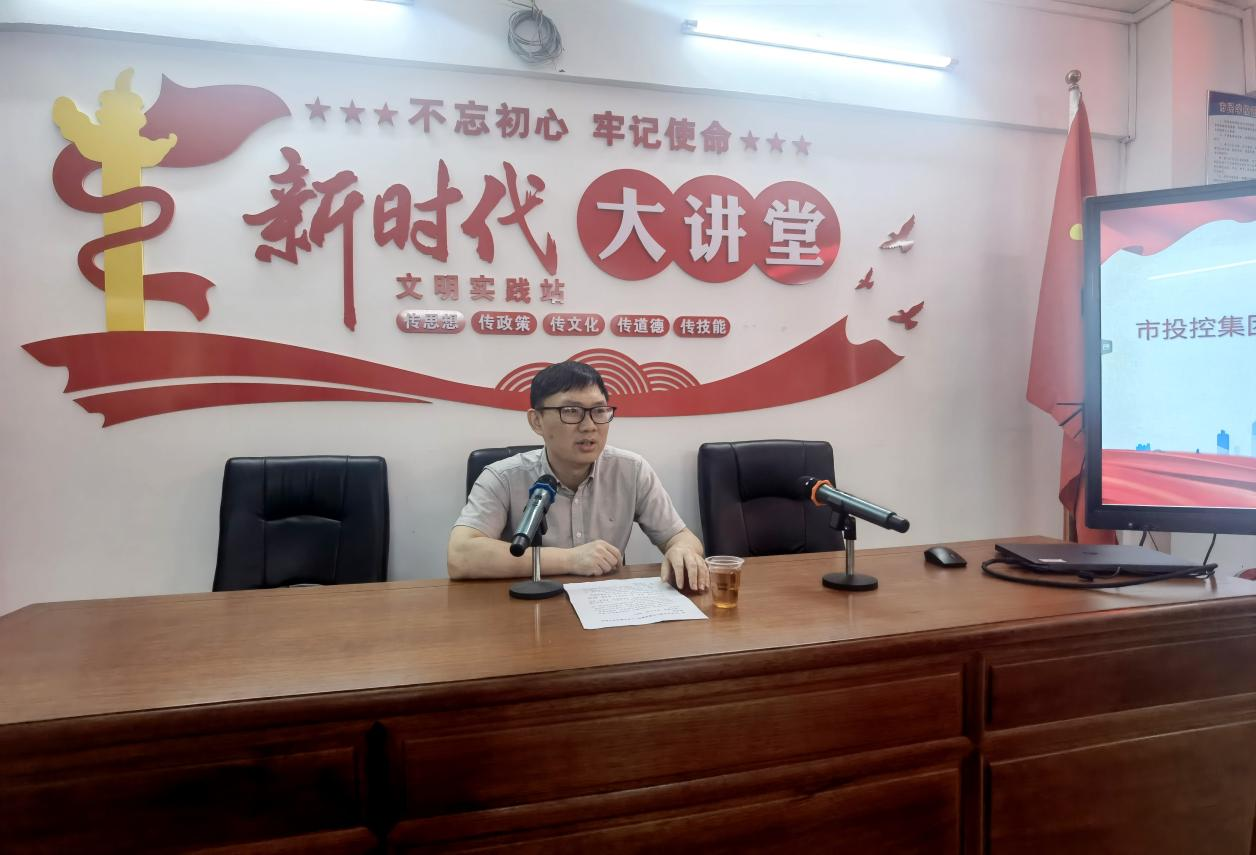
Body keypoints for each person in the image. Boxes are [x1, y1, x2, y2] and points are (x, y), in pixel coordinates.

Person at [448, 361, 708, 591]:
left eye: (599, 411)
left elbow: (680, 537)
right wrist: (570, 559)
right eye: (571, 411)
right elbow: (460, 556)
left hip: (608, 611)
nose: (589, 426)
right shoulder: (503, 477)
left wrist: (682, 550)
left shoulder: (631, 470)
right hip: (528, 611)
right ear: (536, 421)